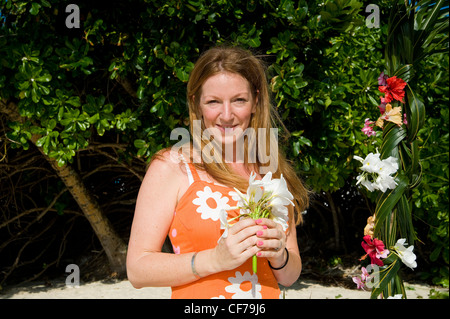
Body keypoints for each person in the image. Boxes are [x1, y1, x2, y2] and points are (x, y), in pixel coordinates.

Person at [126, 46, 310, 299]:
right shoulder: (173, 166)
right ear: (196, 104)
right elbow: (137, 270)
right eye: (213, 101)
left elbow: (289, 275)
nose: (226, 115)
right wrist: (214, 260)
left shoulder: (269, 171)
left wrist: (280, 254)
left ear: (255, 101)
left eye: (239, 100)